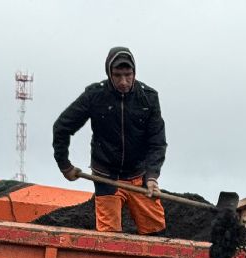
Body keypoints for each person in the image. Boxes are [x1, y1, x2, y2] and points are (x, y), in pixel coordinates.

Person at [53, 46, 169, 234]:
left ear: (134, 72)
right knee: (109, 237)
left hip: (139, 176)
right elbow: (61, 127)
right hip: (106, 175)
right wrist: (64, 165)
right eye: (117, 75)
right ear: (109, 73)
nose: (123, 81)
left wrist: (152, 177)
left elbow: (157, 141)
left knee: (156, 232)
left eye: (128, 74)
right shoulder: (95, 96)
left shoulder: (148, 99)